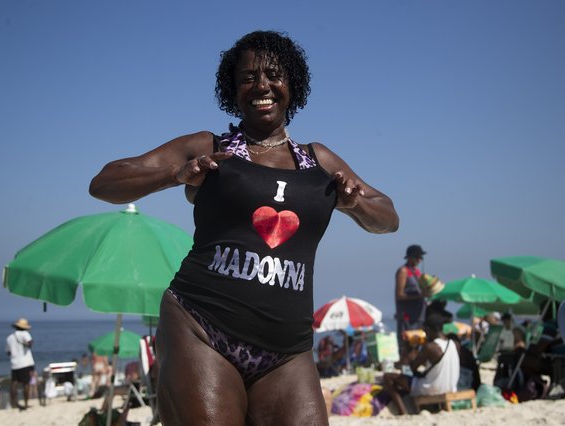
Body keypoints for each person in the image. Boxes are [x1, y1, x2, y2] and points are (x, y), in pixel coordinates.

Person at [89, 30, 399, 424]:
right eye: (248, 77)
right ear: (233, 89)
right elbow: (105, 182)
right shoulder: (210, 147)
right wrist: (177, 173)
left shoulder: (317, 160)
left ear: (292, 85)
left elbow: (388, 216)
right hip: (201, 329)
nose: (262, 86)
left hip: (288, 349)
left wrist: (355, 204)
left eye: (273, 75)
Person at [381, 313, 460, 415]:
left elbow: (410, 371)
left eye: (425, 329)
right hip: (451, 387)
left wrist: (407, 353)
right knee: (417, 375)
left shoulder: (430, 347)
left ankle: (402, 411)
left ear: (429, 329)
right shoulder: (454, 344)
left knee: (388, 377)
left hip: (432, 388)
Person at [395, 245, 427, 354]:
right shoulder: (403, 271)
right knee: (407, 347)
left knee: (417, 346)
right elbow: (399, 295)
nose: (420, 259)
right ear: (410, 257)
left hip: (418, 317)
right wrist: (420, 296)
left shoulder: (417, 272)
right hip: (407, 317)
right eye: (418, 257)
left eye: (421, 257)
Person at [5, 318, 35, 410]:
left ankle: (14, 403)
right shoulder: (25, 334)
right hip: (26, 362)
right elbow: (30, 343)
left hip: (14, 363)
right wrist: (26, 345)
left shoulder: (9, 338)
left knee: (14, 383)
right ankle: (26, 403)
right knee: (26, 384)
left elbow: (8, 352)